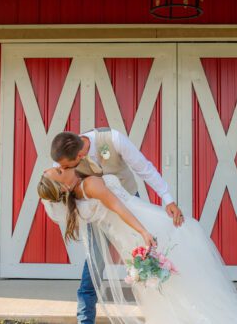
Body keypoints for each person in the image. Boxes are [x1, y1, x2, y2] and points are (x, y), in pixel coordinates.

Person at [38, 168, 237, 324]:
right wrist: (143, 231)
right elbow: (118, 206)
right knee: (174, 272)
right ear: (63, 184)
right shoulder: (89, 184)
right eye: (58, 171)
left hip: (128, 237)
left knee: (165, 280)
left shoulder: (75, 200)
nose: (60, 166)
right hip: (142, 225)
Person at [49, 128, 184, 324]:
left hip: (128, 203)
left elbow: (143, 167)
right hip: (98, 215)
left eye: (67, 166)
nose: (63, 169)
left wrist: (168, 199)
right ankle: (85, 320)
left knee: (151, 261)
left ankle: (168, 314)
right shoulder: (62, 160)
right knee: (93, 268)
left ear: (80, 155)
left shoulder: (113, 139)